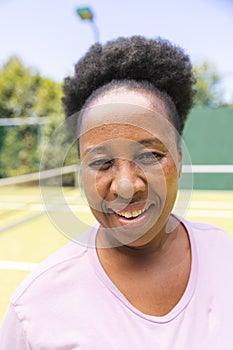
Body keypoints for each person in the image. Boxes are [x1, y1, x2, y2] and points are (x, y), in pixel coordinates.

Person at [0, 36, 233, 349]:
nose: (126, 186)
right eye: (102, 162)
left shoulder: (224, 255)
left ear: (179, 157)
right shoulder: (33, 309)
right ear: (81, 169)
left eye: (149, 156)